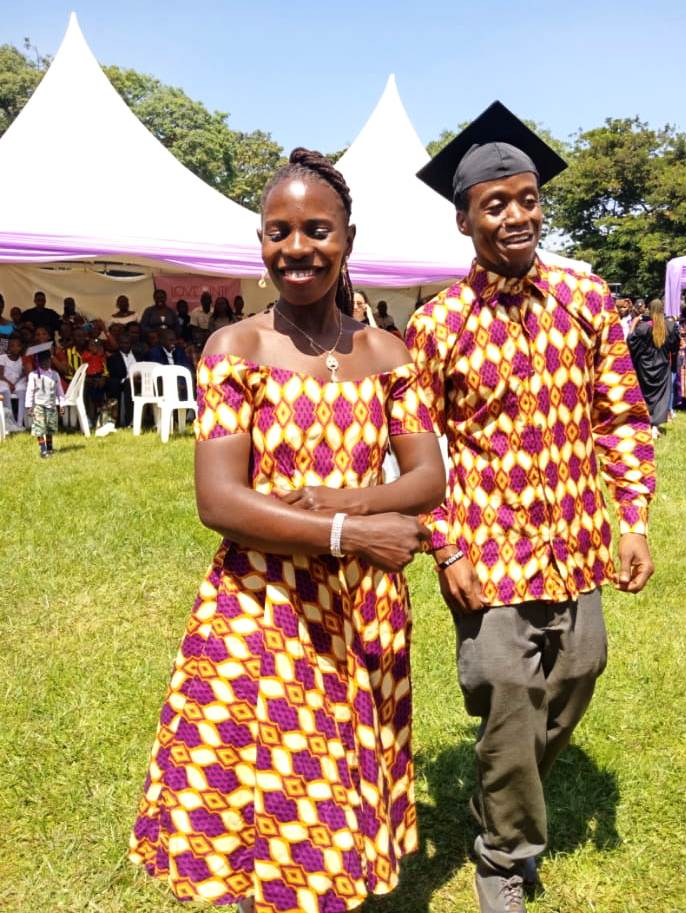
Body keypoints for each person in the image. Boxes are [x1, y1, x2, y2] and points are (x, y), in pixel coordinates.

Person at [129, 147, 445, 913]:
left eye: (316, 230)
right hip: (263, 605)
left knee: (340, 779)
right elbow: (222, 501)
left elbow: (428, 477)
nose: (297, 248)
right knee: (265, 791)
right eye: (278, 231)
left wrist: (343, 498)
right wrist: (351, 533)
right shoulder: (235, 349)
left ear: (348, 239)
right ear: (262, 243)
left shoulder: (386, 354)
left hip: (362, 612)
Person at [407, 101, 656, 913]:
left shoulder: (586, 299)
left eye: (527, 199)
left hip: (578, 538)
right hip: (489, 546)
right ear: (464, 219)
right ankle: (503, 857)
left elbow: (620, 412)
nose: (517, 216)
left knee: (581, 669)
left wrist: (635, 517)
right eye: (495, 204)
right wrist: (446, 546)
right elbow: (420, 448)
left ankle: (502, 794)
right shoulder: (439, 324)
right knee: (507, 692)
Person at [627, 298, 679, 435]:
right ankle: (654, 426)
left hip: (645, 367)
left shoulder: (644, 327)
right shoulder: (669, 327)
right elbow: (674, 347)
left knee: (645, 395)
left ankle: (645, 423)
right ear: (662, 310)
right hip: (662, 366)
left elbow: (630, 342)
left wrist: (633, 324)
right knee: (661, 397)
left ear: (649, 310)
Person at [24, 346, 64, 457]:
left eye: (48, 361)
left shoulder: (54, 374)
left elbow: (59, 390)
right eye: (43, 361)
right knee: (40, 427)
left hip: (51, 405)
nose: (46, 364)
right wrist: (29, 406)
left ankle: (50, 448)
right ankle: (43, 449)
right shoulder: (33, 375)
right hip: (39, 406)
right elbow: (30, 391)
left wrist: (61, 404)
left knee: (50, 427)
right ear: (38, 362)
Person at [107, 331, 137, 426]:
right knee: (126, 384)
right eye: (123, 343)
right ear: (119, 344)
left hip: (141, 382)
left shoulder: (138, 355)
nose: (125, 345)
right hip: (123, 383)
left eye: (127, 343)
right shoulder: (113, 358)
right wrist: (127, 380)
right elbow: (114, 375)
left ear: (131, 344)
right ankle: (129, 421)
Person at [0, 335, 28, 429]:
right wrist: (10, 384)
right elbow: (0, 375)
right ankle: (11, 421)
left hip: (17, 382)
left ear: (21, 347)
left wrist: (15, 384)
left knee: (22, 391)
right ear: (8, 347)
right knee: (5, 391)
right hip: (4, 381)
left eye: (18, 345)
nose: (15, 348)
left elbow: (23, 374)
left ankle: (19, 423)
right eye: (12, 345)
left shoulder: (23, 359)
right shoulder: (3, 358)